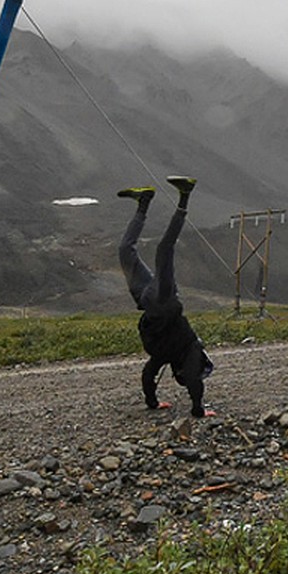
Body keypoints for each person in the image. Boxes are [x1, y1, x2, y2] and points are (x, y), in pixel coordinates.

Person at [117, 175, 214, 417]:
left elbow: (149, 375)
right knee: (164, 250)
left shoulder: (165, 355)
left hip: (146, 300)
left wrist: (153, 404)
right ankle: (185, 195)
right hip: (163, 299)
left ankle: (144, 201)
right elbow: (193, 379)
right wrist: (198, 410)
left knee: (125, 250)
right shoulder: (190, 348)